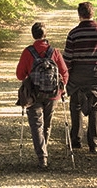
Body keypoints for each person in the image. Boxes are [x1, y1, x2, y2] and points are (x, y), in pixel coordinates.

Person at [63, 2, 97, 153]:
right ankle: (93, 143)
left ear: (79, 15)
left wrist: (68, 74)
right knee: (95, 106)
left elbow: (67, 59)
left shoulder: (73, 34)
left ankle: (76, 140)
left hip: (78, 74)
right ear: (93, 14)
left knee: (76, 105)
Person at [16, 22, 68, 168]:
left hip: (33, 95)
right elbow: (64, 72)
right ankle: (44, 150)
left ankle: (42, 157)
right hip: (52, 94)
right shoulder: (55, 52)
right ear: (45, 34)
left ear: (33, 35)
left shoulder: (28, 52)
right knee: (47, 124)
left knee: (36, 125)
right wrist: (61, 89)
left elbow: (20, 75)